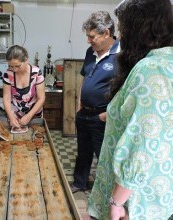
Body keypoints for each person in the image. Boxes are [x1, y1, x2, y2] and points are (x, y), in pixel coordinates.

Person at [88, 0, 173, 219]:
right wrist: (117, 114)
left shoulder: (150, 69)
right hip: (157, 189)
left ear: (140, 29)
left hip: (135, 200)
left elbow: (144, 142)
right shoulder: (167, 62)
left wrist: (117, 201)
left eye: (123, 28)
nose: (122, 37)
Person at [70, 11, 120, 193]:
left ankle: (104, 191)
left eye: (92, 36)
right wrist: (79, 106)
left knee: (104, 156)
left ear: (106, 33)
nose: (88, 40)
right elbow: (84, 79)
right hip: (84, 113)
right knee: (83, 152)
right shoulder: (90, 52)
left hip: (103, 115)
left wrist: (107, 115)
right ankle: (79, 183)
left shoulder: (121, 55)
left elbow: (124, 89)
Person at [2, 45, 45, 128]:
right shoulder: (8, 74)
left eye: (17, 66)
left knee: (35, 137)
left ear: (26, 60)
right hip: (15, 114)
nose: (14, 69)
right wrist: (11, 118)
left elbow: (41, 98)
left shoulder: (36, 73)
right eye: (11, 66)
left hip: (34, 113)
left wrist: (29, 116)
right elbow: (6, 98)